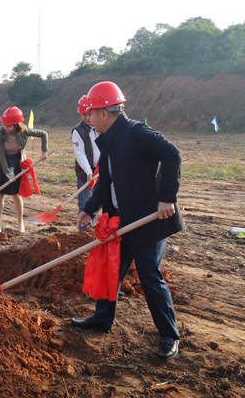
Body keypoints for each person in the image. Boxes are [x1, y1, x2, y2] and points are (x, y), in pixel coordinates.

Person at [71, 81, 184, 360]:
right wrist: (90, 208)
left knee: (149, 276)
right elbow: (105, 181)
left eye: (92, 114)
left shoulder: (136, 133)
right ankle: (102, 319)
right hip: (123, 221)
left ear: (105, 114)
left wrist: (166, 198)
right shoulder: (108, 139)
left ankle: (169, 335)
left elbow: (172, 154)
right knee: (112, 271)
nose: (89, 119)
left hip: (148, 221)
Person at [0, 106, 49, 235]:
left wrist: (44, 152)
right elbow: (2, 153)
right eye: (4, 125)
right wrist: (7, 172)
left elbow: (44, 134)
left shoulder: (24, 131)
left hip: (17, 161)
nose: (6, 128)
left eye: (9, 126)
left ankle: (20, 222)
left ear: (16, 125)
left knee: (16, 193)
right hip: (1, 162)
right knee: (0, 192)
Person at [72, 95, 100, 229]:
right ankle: (84, 236)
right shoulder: (78, 131)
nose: (88, 118)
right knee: (86, 205)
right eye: (84, 115)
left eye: (90, 114)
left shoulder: (104, 126)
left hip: (104, 172)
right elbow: (80, 154)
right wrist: (89, 172)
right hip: (86, 174)